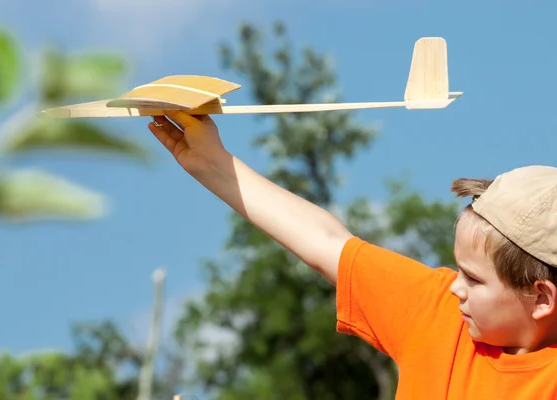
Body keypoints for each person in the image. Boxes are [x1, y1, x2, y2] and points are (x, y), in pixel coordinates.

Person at [148, 111, 557, 399]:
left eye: (475, 279)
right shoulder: (438, 314)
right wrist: (212, 162)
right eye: (459, 269)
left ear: (541, 299)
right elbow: (325, 242)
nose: (454, 286)